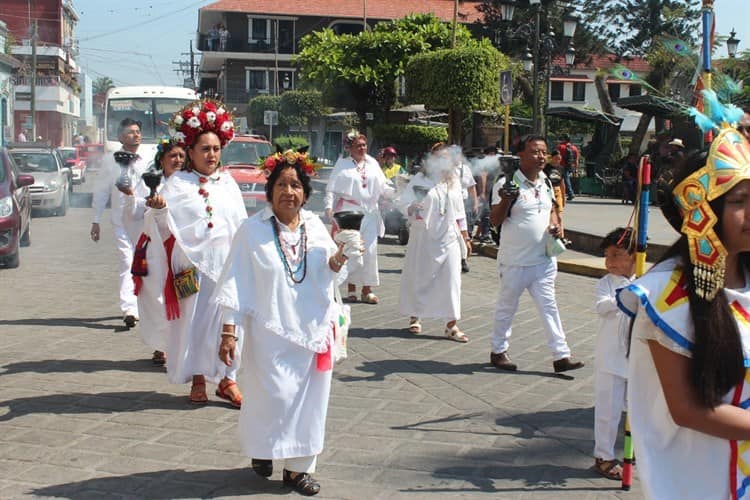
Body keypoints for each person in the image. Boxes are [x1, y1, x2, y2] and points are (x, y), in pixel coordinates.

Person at [617, 96, 750, 499]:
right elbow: (690, 409)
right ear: (703, 212)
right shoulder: (665, 297)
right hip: (703, 479)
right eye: (740, 202)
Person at [215, 150, 351, 496]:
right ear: (269, 191)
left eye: (295, 185)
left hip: (312, 332)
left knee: (310, 403)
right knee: (271, 397)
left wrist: (344, 253)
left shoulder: (315, 227)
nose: (288, 192)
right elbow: (234, 283)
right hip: (269, 334)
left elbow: (328, 272)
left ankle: (298, 469)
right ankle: (264, 449)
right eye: (281, 185)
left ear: (305, 193)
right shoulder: (251, 231)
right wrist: (229, 332)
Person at [141, 99, 246, 406]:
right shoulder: (178, 184)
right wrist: (159, 212)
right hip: (191, 268)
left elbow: (239, 225)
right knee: (195, 323)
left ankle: (228, 379)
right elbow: (159, 229)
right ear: (190, 152)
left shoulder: (229, 184)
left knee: (230, 323)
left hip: (227, 267)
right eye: (205, 149)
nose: (211, 155)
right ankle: (198, 378)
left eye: (215, 149)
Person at [488, 134, 584, 373]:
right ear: (520, 155)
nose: (541, 157)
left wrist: (556, 224)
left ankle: (561, 355)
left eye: (543, 152)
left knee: (549, 307)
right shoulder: (506, 183)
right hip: (515, 261)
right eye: (534, 152)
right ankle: (498, 351)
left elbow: (551, 208)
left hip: (543, 259)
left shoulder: (546, 181)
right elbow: (495, 220)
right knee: (507, 306)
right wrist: (506, 200)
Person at [398, 149, 471, 343]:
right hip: (424, 236)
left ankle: (451, 324)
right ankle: (415, 314)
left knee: (452, 280)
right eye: (441, 158)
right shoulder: (420, 179)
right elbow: (403, 203)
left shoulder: (453, 180)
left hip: (449, 236)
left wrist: (465, 235)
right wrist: (412, 207)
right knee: (420, 276)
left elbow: (459, 210)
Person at [125, 138, 186, 366]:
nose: (177, 160)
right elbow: (134, 212)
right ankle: (161, 346)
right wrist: (141, 201)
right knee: (156, 298)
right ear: (162, 160)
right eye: (173, 156)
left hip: (180, 250)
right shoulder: (152, 183)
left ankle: (178, 344)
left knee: (182, 299)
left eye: (181, 156)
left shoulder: (190, 185)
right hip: (154, 249)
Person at [91, 118, 150, 328]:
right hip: (120, 220)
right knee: (127, 260)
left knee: (145, 262)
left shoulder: (150, 159)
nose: (135, 135)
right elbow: (101, 191)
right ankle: (129, 308)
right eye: (130, 132)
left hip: (144, 218)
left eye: (137, 131)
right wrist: (95, 220)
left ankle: (145, 303)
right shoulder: (110, 161)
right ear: (121, 137)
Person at [325, 130, 393, 304]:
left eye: (364, 145)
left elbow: (383, 186)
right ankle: (351, 289)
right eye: (358, 145)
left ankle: (367, 289)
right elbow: (331, 189)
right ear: (350, 148)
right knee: (351, 250)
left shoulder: (372, 163)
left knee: (369, 252)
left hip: (370, 213)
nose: (362, 148)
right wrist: (328, 208)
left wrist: (397, 192)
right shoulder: (342, 164)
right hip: (349, 213)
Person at [593, 227, 634, 481]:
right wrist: (624, 297)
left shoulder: (646, 280)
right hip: (610, 357)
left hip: (637, 358)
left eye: (617, 255)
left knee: (639, 408)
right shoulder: (606, 284)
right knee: (608, 410)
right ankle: (603, 455)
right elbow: (602, 308)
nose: (610, 262)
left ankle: (635, 450)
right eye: (607, 256)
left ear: (635, 255)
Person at [557, 134, 578, 201]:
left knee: (565, 179)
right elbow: (576, 159)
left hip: (561, 165)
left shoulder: (560, 147)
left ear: (564, 139)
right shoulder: (574, 148)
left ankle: (570, 193)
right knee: (565, 179)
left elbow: (556, 157)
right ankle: (565, 193)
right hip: (570, 166)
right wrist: (575, 169)